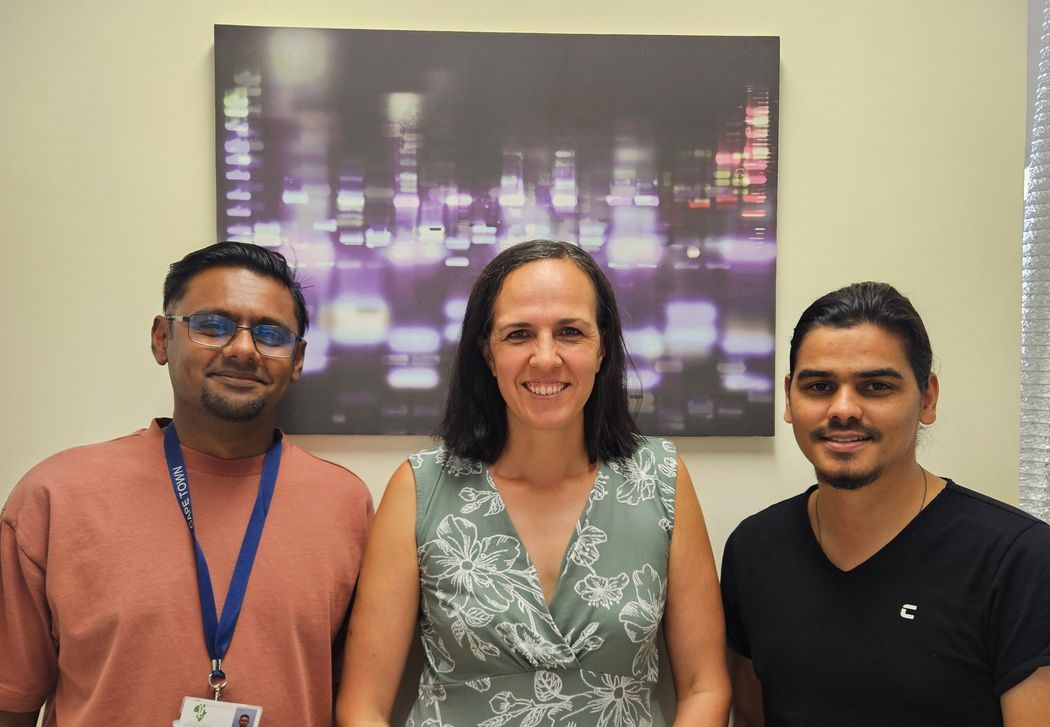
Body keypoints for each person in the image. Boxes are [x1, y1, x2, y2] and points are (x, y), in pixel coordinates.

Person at [336, 239, 730, 726]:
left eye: (570, 332)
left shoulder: (660, 479)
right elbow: (362, 707)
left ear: (602, 345)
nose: (545, 358)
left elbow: (705, 687)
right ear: (487, 350)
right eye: (519, 334)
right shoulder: (421, 486)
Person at [0, 242, 374, 726]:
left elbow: (360, 699)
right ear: (162, 339)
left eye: (270, 334)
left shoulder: (345, 505)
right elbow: (12, 702)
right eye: (212, 326)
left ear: (297, 360)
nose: (242, 349)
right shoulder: (56, 496)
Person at [720, 282, 1050, 726]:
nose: (843, 409)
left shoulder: (1019, 560)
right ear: (789, 398)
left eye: (875, 386)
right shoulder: (754, 548)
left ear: (927, 397)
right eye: (818, 386)